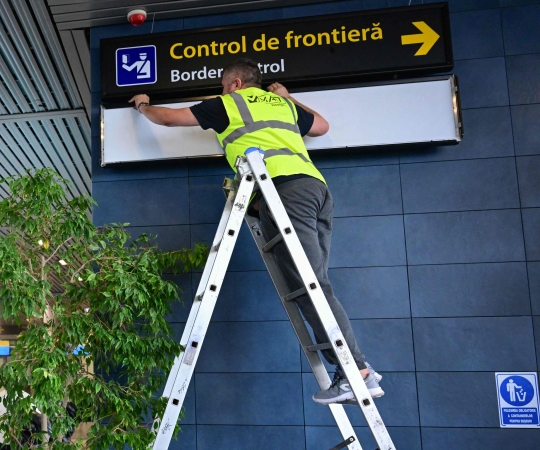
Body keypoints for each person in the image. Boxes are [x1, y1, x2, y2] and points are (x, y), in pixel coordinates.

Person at [129, 58, 382, 405]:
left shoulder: (230, 103)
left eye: (221, 85)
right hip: (315, 190)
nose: (220, 90)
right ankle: (356, 370)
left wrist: (143, 104)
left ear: (234, 83)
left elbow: (168, 118)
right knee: (315, 282)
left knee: (309, 286)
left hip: (284, 192)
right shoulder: (281, 104)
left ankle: (357, 372)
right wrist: (290, 97)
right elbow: (321, 127)